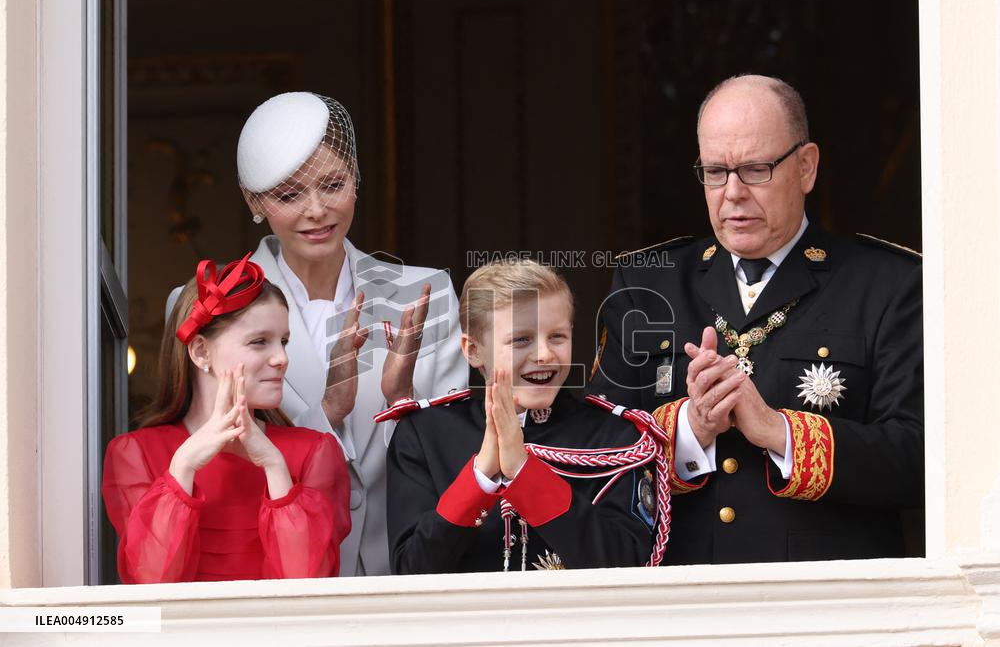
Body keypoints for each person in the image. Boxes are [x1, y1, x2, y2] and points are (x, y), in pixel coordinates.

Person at [587, 74, 924, 564]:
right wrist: (689, 428)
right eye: (715, 171)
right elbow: (590, 452)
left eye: (756, 169)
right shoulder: (648, 284)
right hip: (680, 603)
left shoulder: (889, 284)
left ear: (806, 167)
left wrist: (777, 430)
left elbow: (923, 458)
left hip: (831, 605)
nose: (733, 193)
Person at [170, 92, 467, 576]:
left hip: (409, 573)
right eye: (289, 195)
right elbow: (214, 461)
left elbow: (455, 453)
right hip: (273, 577)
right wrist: (326, 413)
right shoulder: (205, 304)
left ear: (357, 179)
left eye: (333, 184)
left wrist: (404, 400)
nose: (316, 210)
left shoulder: (427, 292)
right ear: (253, 200)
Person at [386, 260, 658, 574]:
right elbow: (411, 572)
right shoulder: (424, 434)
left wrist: (523, 472)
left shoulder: (617, 437)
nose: (543, 353)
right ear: (473, 350)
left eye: (557, 336)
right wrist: (481, 477)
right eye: (521, 340)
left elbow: (628, 567)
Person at [104, 255, 351, 583]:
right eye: (259, 341)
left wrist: (275, 468)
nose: (281, 358)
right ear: (201, 352)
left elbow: (307, 587)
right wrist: (183, 468)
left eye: (283, 341)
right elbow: (151, 583)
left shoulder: (315, 452)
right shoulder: (135, 453)